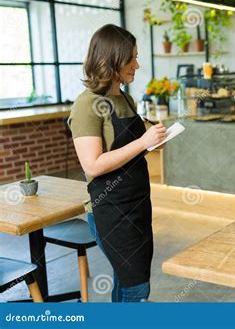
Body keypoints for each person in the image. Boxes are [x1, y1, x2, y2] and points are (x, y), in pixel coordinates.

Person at [69, 24, 166, 302]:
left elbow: (128, 151)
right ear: (112, 59)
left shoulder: (124, 97)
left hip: (137, 204)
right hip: (109, 210)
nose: (137, 64)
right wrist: (142, 142)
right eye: (131, 58)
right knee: (136, 287)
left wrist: (155, 140)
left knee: (125, 281)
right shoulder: (87, 105)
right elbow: (93, 165)